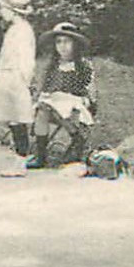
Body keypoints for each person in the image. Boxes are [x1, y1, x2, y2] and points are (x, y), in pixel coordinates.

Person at [30, 22, 97, 168]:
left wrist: (87, 101)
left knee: (62, 106)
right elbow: (46, 89)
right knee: (43, 108)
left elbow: (90, 91)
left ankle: (77, 138)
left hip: (76, 105)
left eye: (67, 42)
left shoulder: (83, 66)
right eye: (59, 42)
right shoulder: (53, 66)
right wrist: (41, 94)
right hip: (54, 104)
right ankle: (40, 156)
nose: (62, 46)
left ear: (75, 44)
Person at [0, 0, 38, 161]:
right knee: (12, 119)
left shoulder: (23, 31)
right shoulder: (14, 29)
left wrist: (23, 81)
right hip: (7, 77)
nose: (1, 12)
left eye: (3, 8)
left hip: (16, 78)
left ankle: (22, 158)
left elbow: (26, 60)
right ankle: (19, 156)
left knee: (18, 119)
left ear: (12, 11)